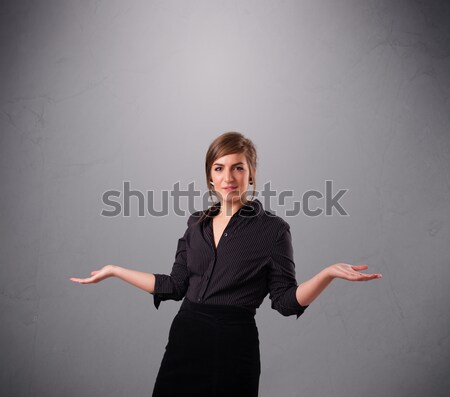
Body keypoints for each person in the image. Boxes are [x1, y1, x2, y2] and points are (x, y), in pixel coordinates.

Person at [70, 132, 383, 397]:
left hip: (233, 344)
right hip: (185, 338)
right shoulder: (196, 224)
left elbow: (286, 301)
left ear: (251, 174)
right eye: (219, 168)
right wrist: (115, 271)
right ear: (210, 175)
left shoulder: (273, 230)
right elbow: (175, 286)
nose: (228, 177)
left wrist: (327, 274)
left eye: (237, 168)